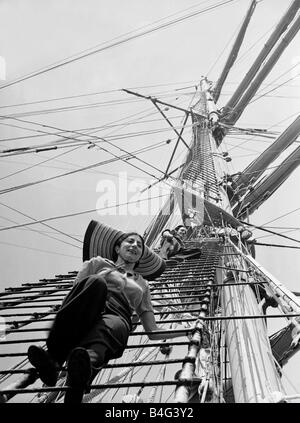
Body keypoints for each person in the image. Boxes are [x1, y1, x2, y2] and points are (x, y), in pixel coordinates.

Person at [27, 220, 189, 404]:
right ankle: (54, 360)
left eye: (140, 245)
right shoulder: (97, 263)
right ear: (118, 248)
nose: (135, 245)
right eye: (130, 241)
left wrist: (188, 331)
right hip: (88, 305)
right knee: (96, 283)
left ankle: (78, 382)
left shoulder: (143, 284)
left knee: (114, 327)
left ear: (140, 257)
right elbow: (75, 293)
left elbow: (153, 331)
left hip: (118, 314)